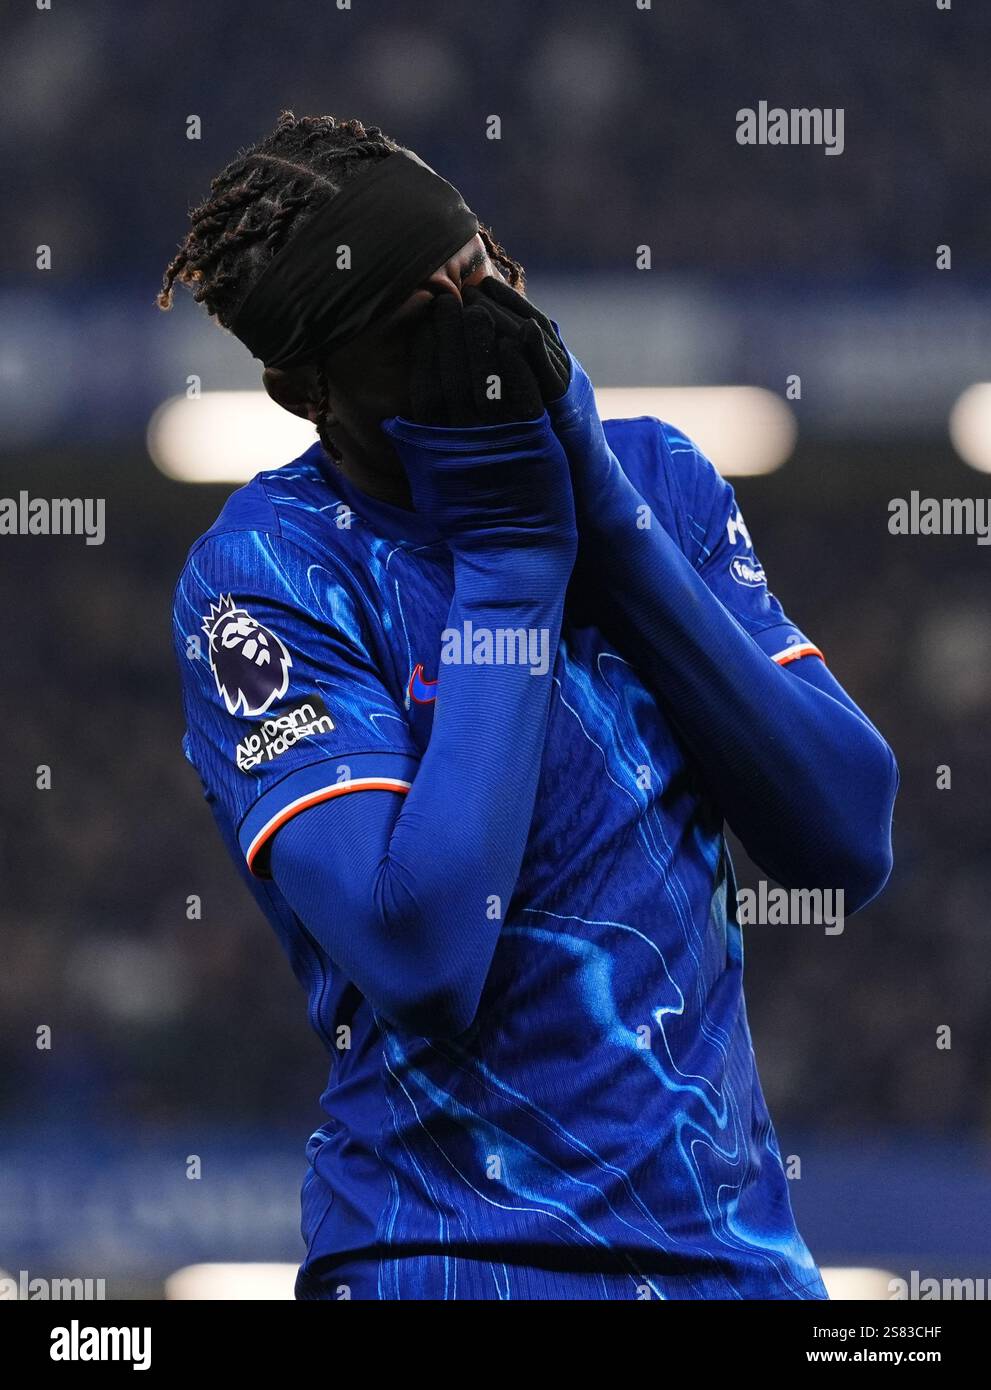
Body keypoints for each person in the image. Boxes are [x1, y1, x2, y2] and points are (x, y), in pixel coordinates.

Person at [159, 111, 897, 1300]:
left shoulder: (657, 477)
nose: (484, 341)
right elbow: (424, 950)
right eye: (419, 330)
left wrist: (605, 520)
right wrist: (507, 569)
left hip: (732, 1267)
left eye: (486, 278)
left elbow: (849, 834)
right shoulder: (271, 573)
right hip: (444, 1258)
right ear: (306, 390)